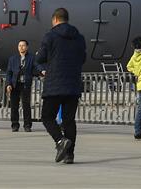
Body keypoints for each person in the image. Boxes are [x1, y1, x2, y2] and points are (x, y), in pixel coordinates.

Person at [36, 8, 86, 164]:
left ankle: (59, 140)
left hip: (55, 84)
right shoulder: (79, 38)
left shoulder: (50, 36)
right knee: (69, 120)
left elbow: (41, 58)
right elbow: (82, 58)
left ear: (55, 19)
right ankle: (69, 155)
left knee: (47, 116)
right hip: (73, 84)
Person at [6, 40, 44, 132]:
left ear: (27, 47)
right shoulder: (13, 59)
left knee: (26, 105)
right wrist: (8, 84)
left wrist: (42, 70)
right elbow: (9, 73)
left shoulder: (31, 58)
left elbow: (37, 65)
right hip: (15, 85)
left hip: (25, 85)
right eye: (19, 45)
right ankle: (15, 125)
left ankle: (27, 125)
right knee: (14, 106)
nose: (21, 47)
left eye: (23, 45)